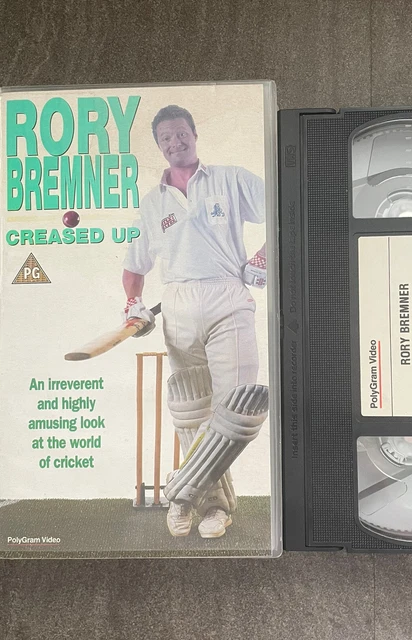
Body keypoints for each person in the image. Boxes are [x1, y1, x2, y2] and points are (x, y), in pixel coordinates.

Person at [122, 105, 268, 539]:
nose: (175, 142)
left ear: (194, 133)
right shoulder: (153, 203)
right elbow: (134, 266)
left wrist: (264, 256)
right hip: (178, 304)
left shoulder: (230, 179)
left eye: (181, 133)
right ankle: (212, 508)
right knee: (191, 412)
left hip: (227, 296)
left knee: (236, 407)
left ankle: (180, 490)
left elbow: (290, 204)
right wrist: (133, 304)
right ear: (158, 145)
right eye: (166, 138)